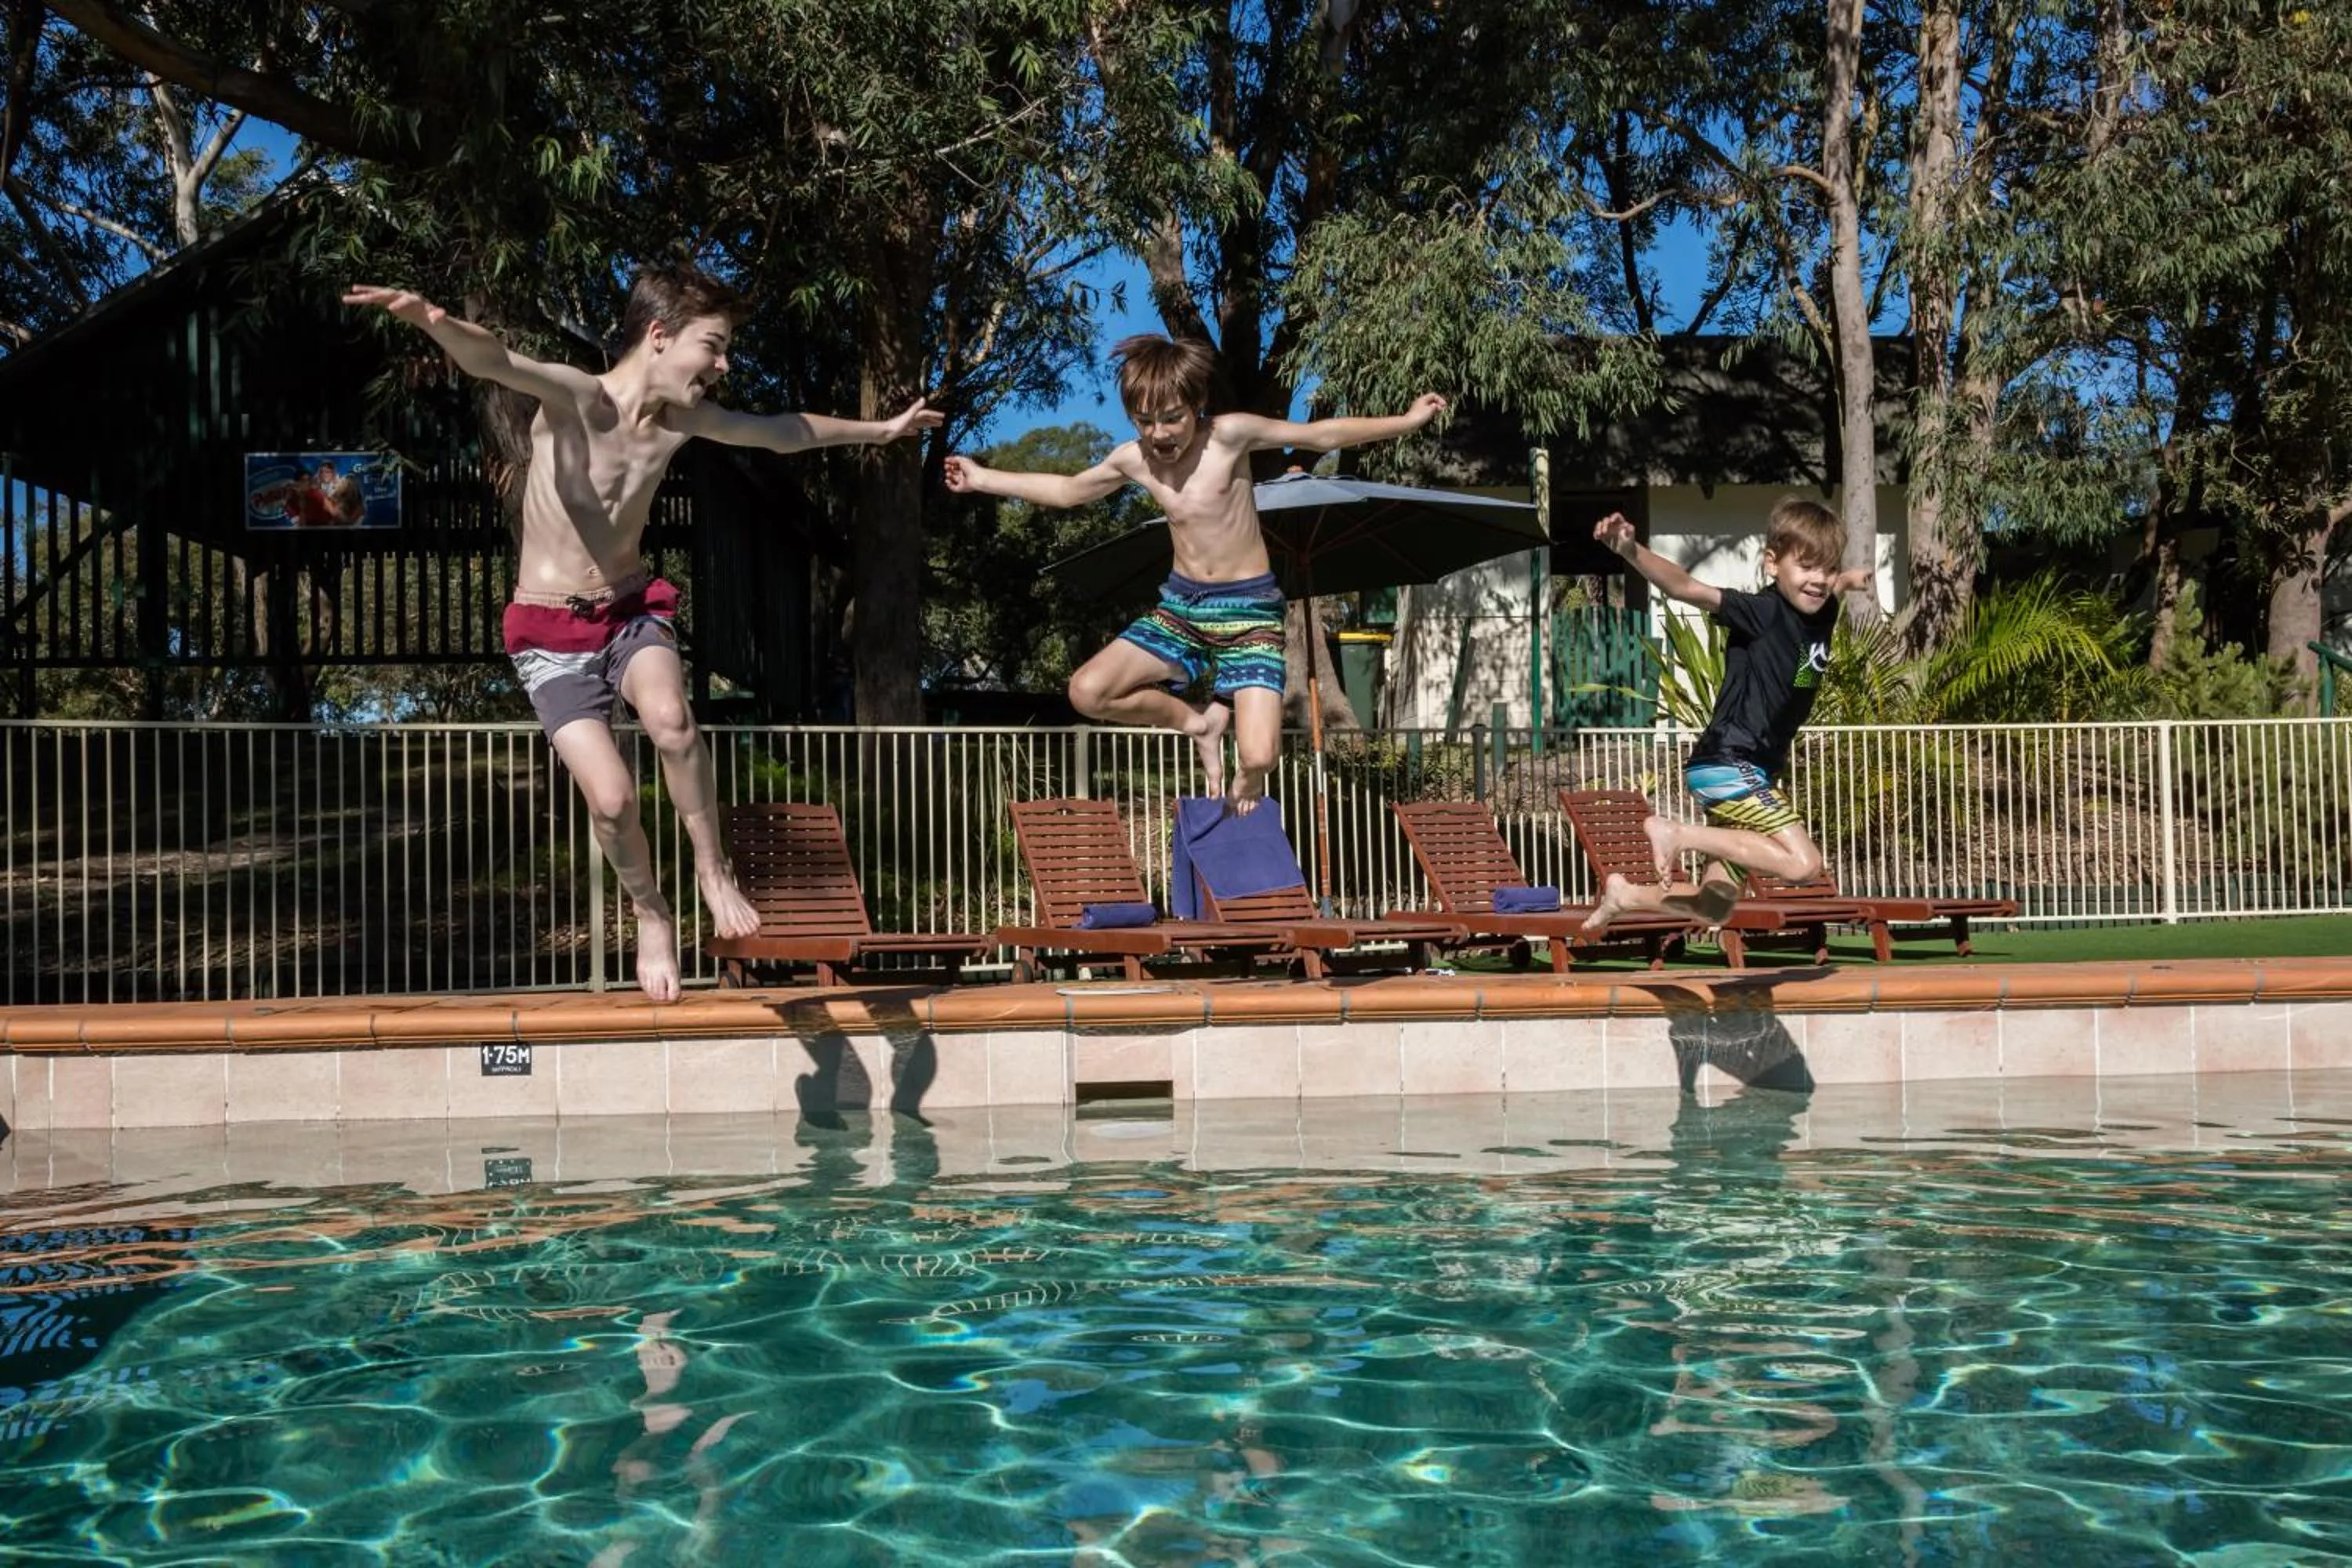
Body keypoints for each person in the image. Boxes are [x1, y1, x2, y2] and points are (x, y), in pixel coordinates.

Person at [345, 267, 940, 1000]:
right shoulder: (578, 399)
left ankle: (711, 868)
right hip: (548, 632)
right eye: (714, 347)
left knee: (673, 721)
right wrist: (433, 319)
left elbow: (782, 433)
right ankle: (649, 911)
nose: (723, 366)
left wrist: (880, 430)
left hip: (629, 611)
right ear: (659, 337)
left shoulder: (681, 423)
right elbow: (495, 359)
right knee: (614, 802)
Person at [942, 335, 1443, 811]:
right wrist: (984, 478)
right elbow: (1071, 491)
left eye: (1171, 419)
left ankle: (1239, 762)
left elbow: (1320, 433)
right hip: (1182, 609)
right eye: (1144, 422)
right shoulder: (1133, 460)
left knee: (1259, 758)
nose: (1159, 434)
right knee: (1087, 692)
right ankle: (1196, 724)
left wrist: (1406, 420)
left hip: (1250, 615)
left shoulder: (1229, 437)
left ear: (1197, 404)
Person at [1581, 499, 1876, 936]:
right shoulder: (1762, 612)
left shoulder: (1822, 608)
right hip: (1729, 761)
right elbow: (1686, 588)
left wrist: (1851, 579)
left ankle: (1625, 896)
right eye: (1807, 568)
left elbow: (1832, 585)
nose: (1818, 581)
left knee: (1712, 906)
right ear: (1772, 564)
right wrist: (1630, 551)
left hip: (1753, 768)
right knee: (1804, 864)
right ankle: (1676, 833)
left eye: (1828, 570)